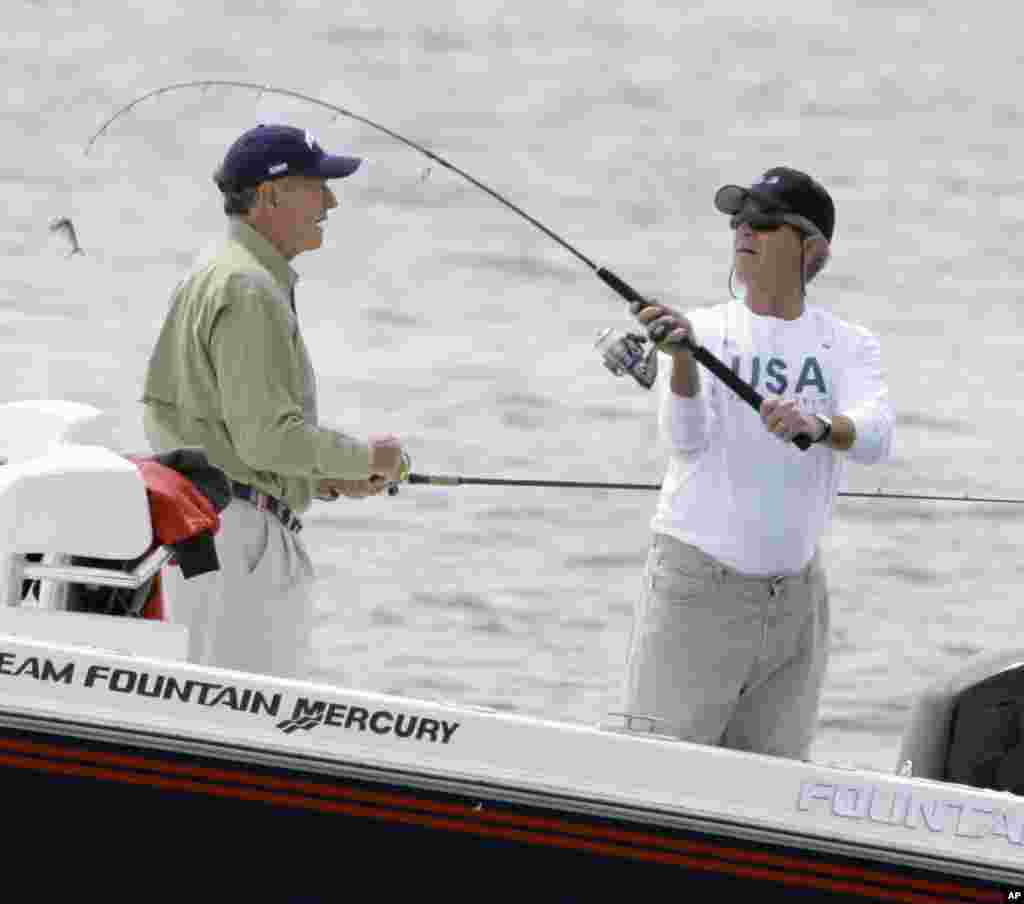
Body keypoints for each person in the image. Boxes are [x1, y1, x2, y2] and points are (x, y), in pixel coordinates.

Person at [613, 166, 894, 760]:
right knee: (658, 774)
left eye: (767, 223)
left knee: (770, 786)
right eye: (740, 220)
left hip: (795, 602)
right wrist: (684, 363)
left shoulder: (848, 345)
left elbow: (875, 436)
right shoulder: (703, 329)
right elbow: (684, 439)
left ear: (812, 249)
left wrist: (817, 426)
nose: (746, 231)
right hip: (697, 589)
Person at [141, 123, 406, 678]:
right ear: (271, 195)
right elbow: (267, 438)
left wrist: (322, 481)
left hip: (208, 529)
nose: (331, 202)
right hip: (239, 543)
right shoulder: (250, 289)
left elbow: (221, 430)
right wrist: (368, 460)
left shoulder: (216, 274)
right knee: (243, 721)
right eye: (319, 186)